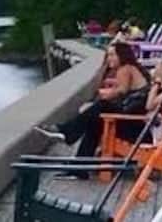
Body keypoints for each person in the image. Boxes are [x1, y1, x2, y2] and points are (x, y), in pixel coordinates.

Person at [33, 42, 150, 179]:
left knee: (101, 106)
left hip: (133, 129)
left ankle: (66, 132)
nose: (109, 58)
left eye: (112, 55)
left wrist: (108, 94)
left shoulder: (125, 68)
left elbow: (122, 91)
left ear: (122, 55)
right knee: (94, 122)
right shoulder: (132, 68)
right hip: (135, 126)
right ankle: (78, 167)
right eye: (108, 55)